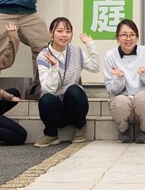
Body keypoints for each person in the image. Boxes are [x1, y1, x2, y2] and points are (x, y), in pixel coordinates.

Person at [34, 17, 100, 147]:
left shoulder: (76, 51)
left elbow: (95, 67)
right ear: (51, 33)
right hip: (55, 109)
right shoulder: (43, 56)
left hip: (73, 107)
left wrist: (90, 45)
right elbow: (48, 90)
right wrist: (54, 67)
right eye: (60, 31)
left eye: (68, 31)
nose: (64, 35)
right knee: (46, 98)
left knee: (74, 90)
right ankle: (51, 134)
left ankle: (80, 128)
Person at [103, 19, 145, 144]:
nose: (128, 38)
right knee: (120, 101)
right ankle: (123, 130)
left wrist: (144, 74)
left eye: (132, 34)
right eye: (123, 35)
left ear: (137, 37)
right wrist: (119, 78)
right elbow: (111, 89)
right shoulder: (110, 56)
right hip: (123, 105)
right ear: (117, 38)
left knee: (141, 98)